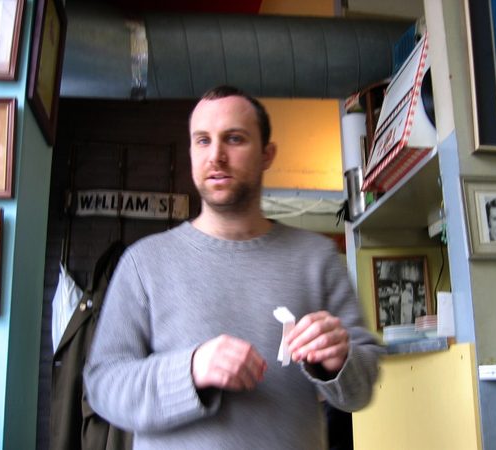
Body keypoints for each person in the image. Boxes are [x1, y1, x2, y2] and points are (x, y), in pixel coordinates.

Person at [83, 85, 382, 449]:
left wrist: (338, 361)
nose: (216, 156)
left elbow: (361, 390)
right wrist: (191, 370)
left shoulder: (317, 258)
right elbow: (103, 387)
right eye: (202, 141)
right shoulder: (142, 263)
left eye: (234, 139)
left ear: (267, 154)